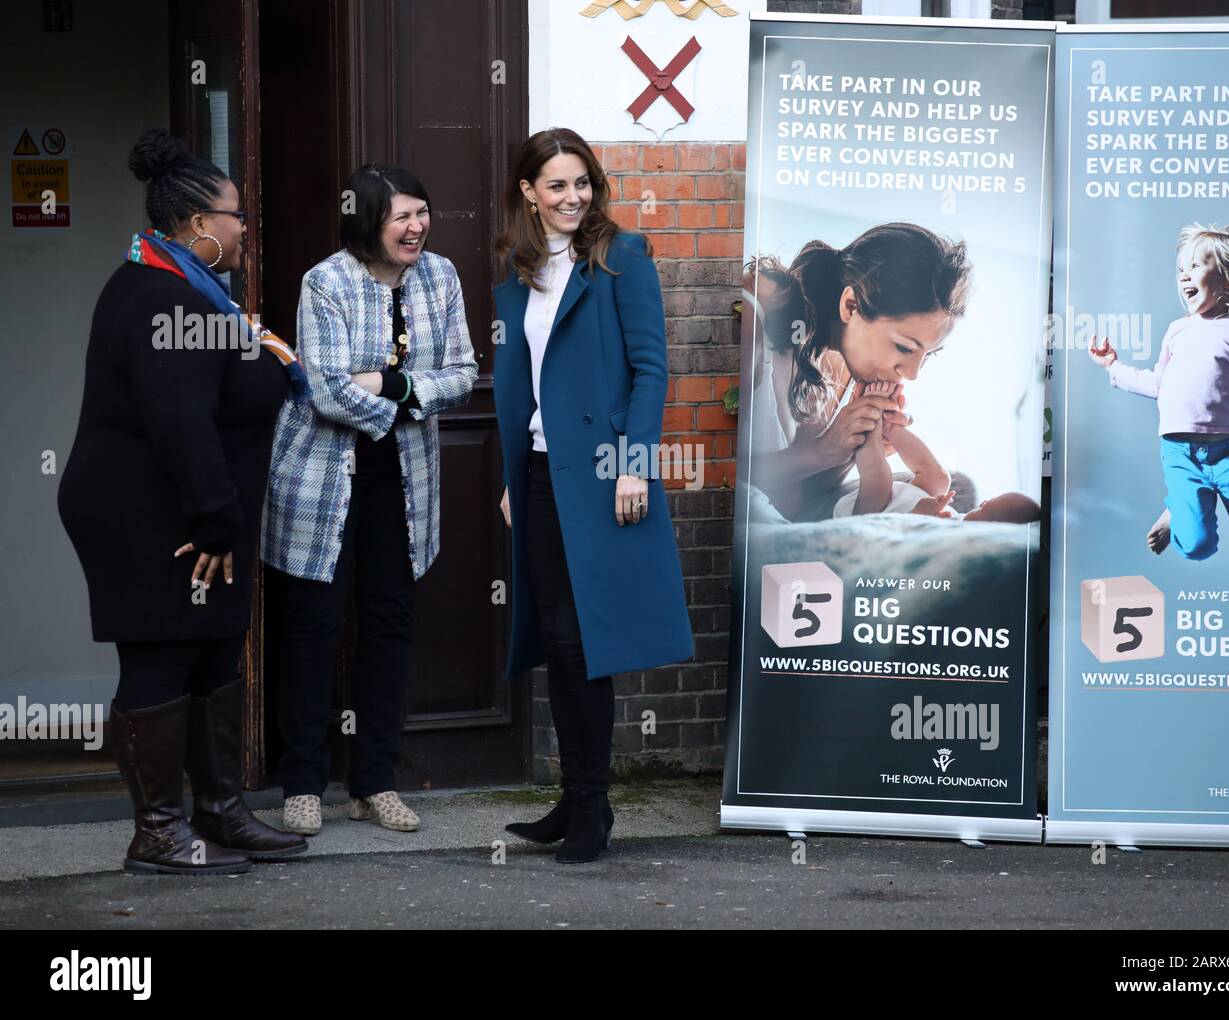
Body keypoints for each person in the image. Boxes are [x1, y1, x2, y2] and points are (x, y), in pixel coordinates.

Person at [58, 128, 307, 874]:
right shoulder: (162, 298)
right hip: (152, 516)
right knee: (163, 655)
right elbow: (178, 421)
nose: (243, 231)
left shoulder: (195, 294)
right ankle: (159, 833)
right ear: (200, 225)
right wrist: (214, 519)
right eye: (236, 217)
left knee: (215, 651)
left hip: (199, 511)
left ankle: (221, 812)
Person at [492, 127, 693, 863]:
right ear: (528, 193)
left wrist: (634, 464)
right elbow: (522, 387)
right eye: (556, 186)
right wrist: (514, 477)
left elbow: (651, 370)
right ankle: (574, 797)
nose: (573, 197)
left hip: (607, 475)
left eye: (583, 182)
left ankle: (594, 808)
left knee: (584, 644)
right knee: (553, 637)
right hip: (543, 474)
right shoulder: (518, 271)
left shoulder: (621, 257)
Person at [261, 164, 477, 835]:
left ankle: (373, 782)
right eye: (400, 217)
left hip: (404, 482)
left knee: (390, 624)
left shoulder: (441, 277)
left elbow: (464, 374)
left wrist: (394, 387)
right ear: (366, 223)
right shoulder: (325, 281)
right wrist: (403, 393)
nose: (416, 227)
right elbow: (322, 390)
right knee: (313, 626)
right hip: (323, 480)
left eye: (422, 212)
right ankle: (302, 783)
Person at [1089, 223, 1229, 560]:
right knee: (1197, 548)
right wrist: (1114, 366)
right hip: (1180, 455)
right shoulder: (1177, 331)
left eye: (1196, 266)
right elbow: (1160, 384)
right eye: (1181, 270)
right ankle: (1177, 508)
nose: (1185, 276)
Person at [739, 223, 970, 522]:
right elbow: (724, 473)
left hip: (803, 523)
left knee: (958, 489)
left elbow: (802, 503)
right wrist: (822, 451)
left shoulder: (856, 376)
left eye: (928, 355)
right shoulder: (762, 312)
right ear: (851, 305)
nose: (912, 374)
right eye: (904, 348)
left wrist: (861, 453)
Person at [835, 380, 1041, 524]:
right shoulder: (960, 519)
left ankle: (870, 423)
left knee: (880, 479)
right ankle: (890, 425)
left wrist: (919, 515)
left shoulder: (958, 540)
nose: (983, 503)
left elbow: (904, 538)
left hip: (873, 516)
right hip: (899, 503)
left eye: (986, 509)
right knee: (940, 479)